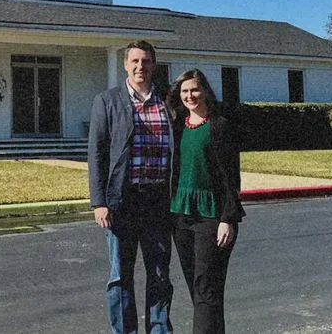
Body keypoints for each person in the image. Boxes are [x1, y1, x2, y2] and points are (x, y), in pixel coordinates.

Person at [88, 40, 175, 334]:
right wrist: (99, 201)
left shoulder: (167, 103)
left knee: (160, 273)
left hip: (158, 202)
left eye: (146, 61)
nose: (141, 67)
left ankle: (160, 330)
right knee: (120, 276)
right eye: (135, 61)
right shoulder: (107, 101)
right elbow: (97, 154)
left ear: (154, 65)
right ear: (125, 64)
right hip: (121, 203)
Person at [167, 69, 245, 334]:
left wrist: (228, 219)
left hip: (212, 218)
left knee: (206, 287)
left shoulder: (219, 126)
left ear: (206, 92)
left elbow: (231, 177)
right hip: (181, 216)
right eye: (185, 91)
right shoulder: (177, 127)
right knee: (197, 289)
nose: (190, 95)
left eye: (195, 90)